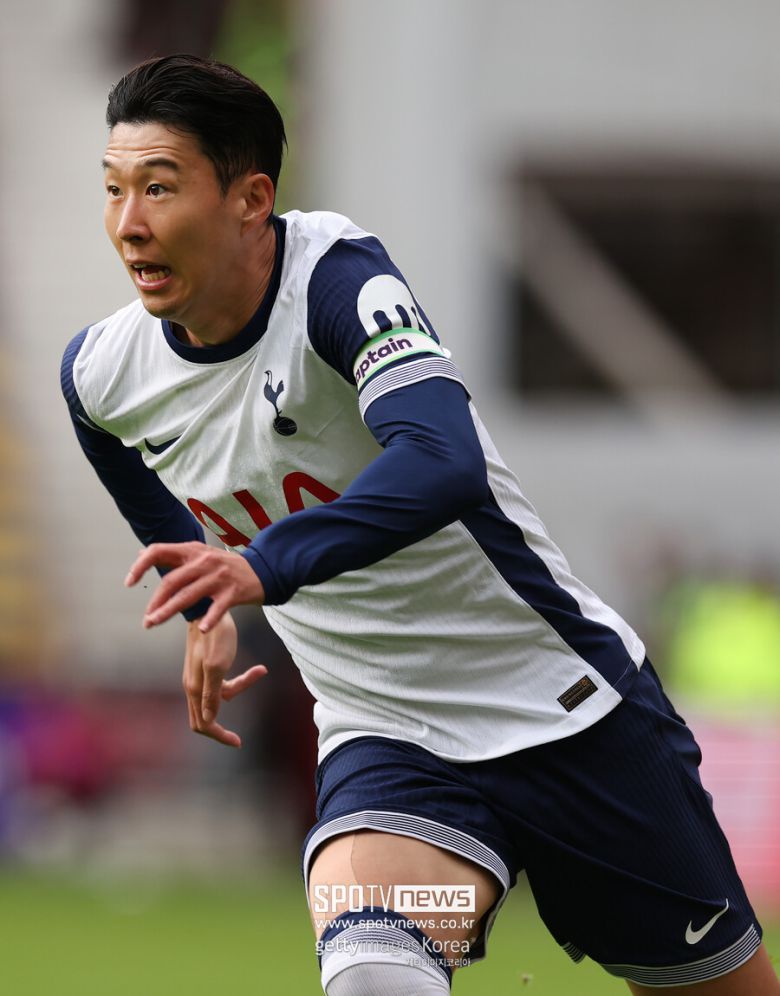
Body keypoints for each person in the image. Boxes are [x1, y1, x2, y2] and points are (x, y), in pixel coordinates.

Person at [60, 54, 778, 995]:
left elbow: (443, 460)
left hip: (569, 718)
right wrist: (207, 601)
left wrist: (262, 566)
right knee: (375, 973)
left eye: (159, 187)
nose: (128, 222)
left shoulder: (336, 279)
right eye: (113, 189)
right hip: (390, 741)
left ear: (251, 198)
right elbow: (135, 475)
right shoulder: (102, 374)